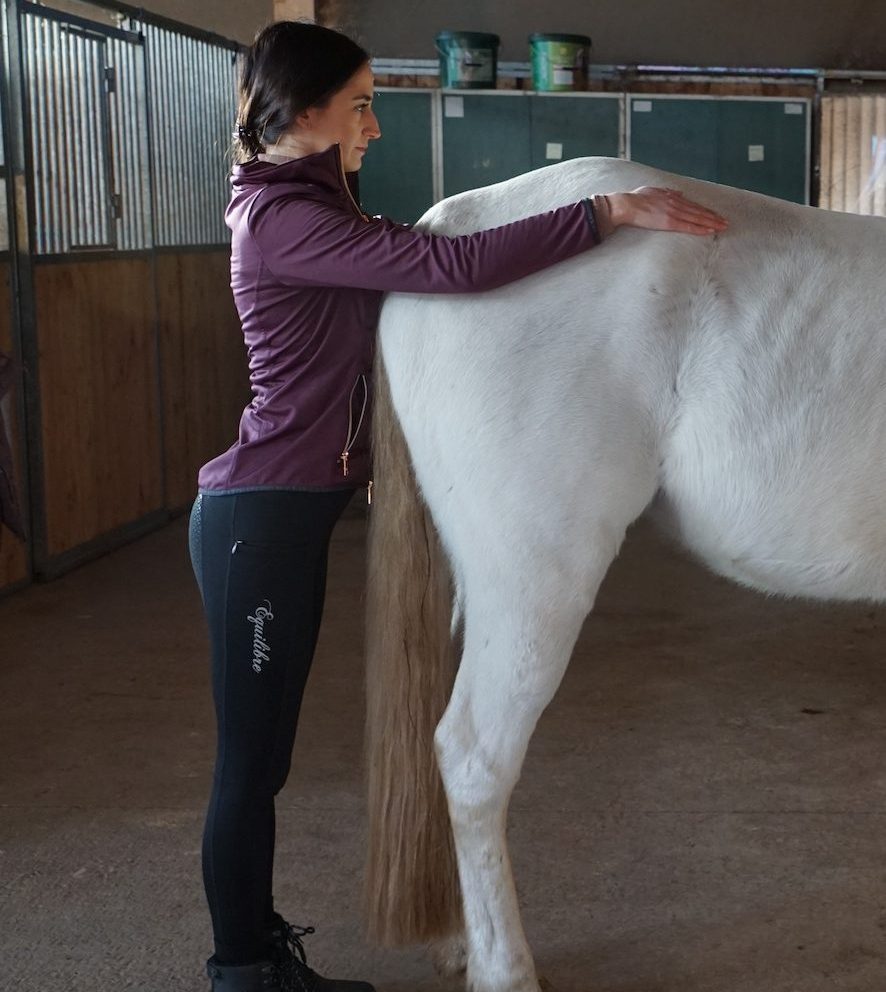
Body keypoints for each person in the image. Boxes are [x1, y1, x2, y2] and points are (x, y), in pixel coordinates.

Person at [188, 19, 728, 992]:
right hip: (257, 522)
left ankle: (258, 944)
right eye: (360, 106)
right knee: (250, 764)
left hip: (283, 515)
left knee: (263, 760)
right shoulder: (280, 219)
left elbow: (417, 257)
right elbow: (448, 267)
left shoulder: (307, 204)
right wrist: (603, 213)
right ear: (305, 113)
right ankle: (242, 966)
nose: (373, 126)